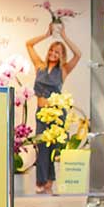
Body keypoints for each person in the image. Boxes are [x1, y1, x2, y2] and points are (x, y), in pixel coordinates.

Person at [26, 27, 81, 193]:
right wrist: (46, 35)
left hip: (56, 115)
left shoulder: (63, 71)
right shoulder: (39, 66)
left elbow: (78, 54)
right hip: (41, 114)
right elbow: (28, 44)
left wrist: (64, 36)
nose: (53, 54)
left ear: (61, 56)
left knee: (53, 149)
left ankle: (48, 182)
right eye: (52, 50)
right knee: (42, 147)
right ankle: (43, 181)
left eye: (57, 52)